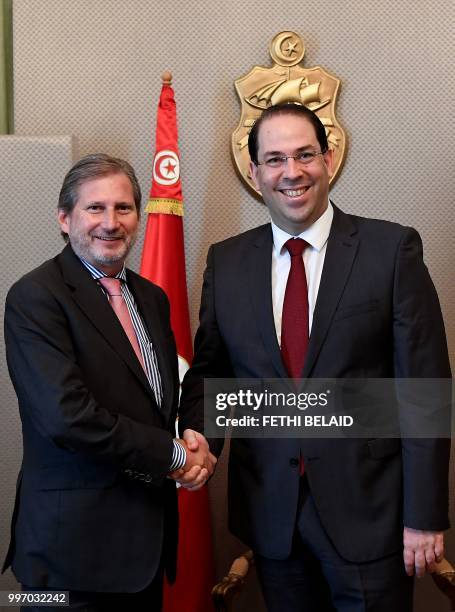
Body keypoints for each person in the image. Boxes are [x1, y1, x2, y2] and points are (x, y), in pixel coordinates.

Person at [180, 104, 451, 611]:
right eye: (275, 159)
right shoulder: (228, 261)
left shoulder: (391, 250)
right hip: (271, 516)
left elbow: (424, 390)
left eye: (305, 155)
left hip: (373, 512)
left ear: (328, 159)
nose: (292, 172)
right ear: (256, 172)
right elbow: (212, 374)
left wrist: (425, 515)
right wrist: (200, 441)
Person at [3, 153, 215, 611]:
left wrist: (195, 437)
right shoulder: (36, 297)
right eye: (95, 208)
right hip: (70, 557)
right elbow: (68, 417)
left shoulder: (152, 299)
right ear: (64, 218)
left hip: (144, 550)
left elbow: (159, 402)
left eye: (123, 208)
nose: (111, 222)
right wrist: (175, 456)